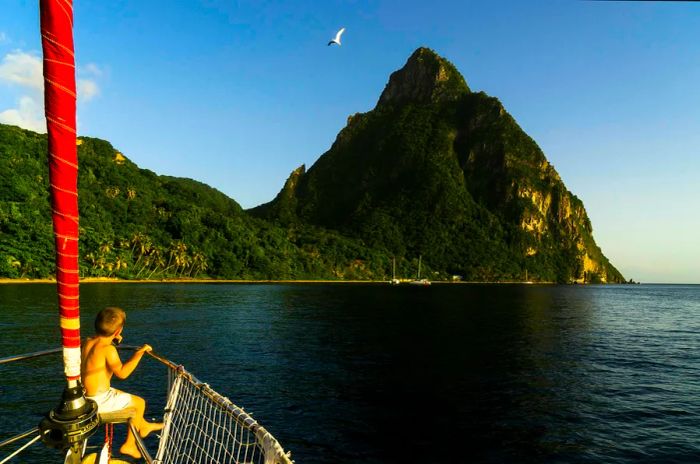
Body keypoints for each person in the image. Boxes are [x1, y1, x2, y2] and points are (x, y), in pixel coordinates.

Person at [81, 306, 163, 459]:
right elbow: (123, 373)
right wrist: (138, 354)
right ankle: (129, 445)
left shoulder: (87, 341)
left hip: (85, 396)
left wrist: (113, 339)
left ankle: (143, 425)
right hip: (98, 401)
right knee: (140, 403)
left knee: (126, 396)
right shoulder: (108, 349)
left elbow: (96, 361)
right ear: (118, 331)